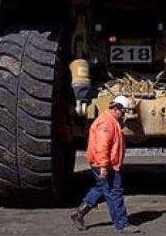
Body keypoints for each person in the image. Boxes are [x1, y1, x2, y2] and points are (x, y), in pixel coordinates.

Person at [70, 96, 141, 233]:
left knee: (101, 188)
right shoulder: (106, 123)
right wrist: (103, 166)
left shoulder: (110, 120)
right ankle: (122, 224)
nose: (124, 115)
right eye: (124, 112)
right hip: (106, 164)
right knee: (115, 191)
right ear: (117, 109)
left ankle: (79, 213)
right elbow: (102, 146)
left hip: (105, 163)